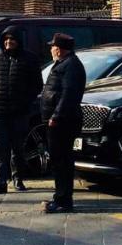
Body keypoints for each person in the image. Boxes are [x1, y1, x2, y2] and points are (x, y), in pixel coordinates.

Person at [0, 27, 42, 194]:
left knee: (17, 148)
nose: (8, 42)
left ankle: (18, 178)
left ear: (18, 41)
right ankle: (0, 182)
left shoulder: (30, 59)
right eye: (6, 39)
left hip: (20, 112)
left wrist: (26, 101)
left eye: (12, 39)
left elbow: (37, 85)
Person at [40, 32, 86, 214]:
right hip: (57, 120)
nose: (51, 49)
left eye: (52, 46)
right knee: (59, 161)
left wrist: (56, 116)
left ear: (58, 49)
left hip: (62, 122)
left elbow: (69, 95)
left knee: (62, 161)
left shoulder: (71, 66)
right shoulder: (63, 64)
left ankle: (63, 200)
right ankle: (60, 196)